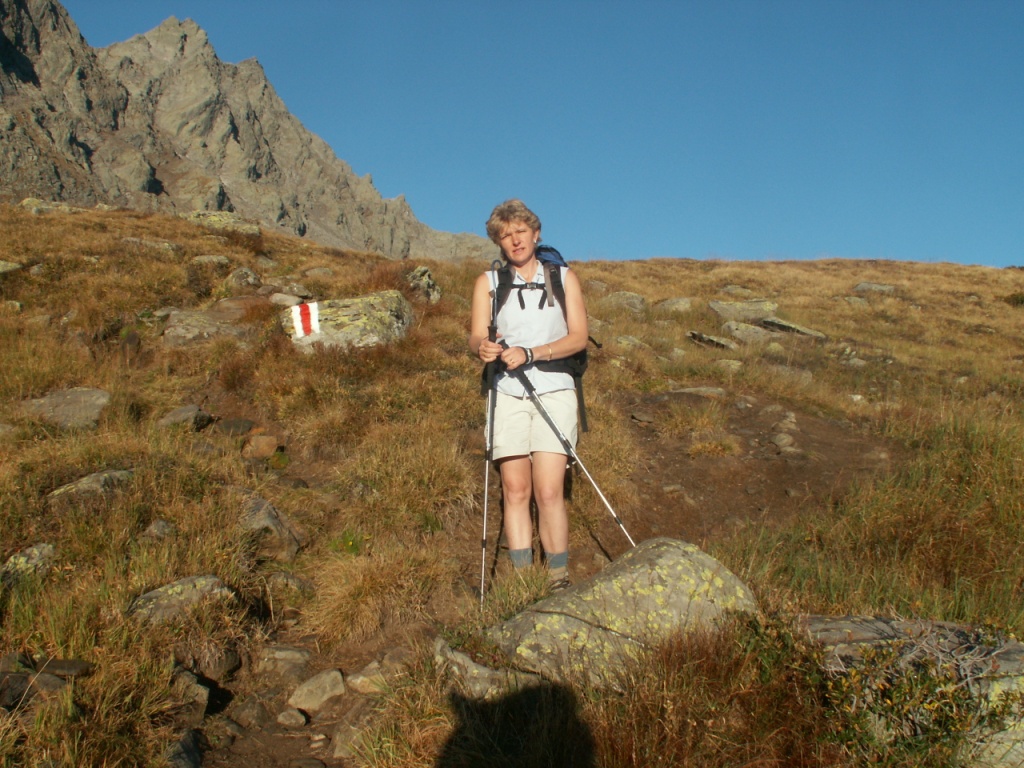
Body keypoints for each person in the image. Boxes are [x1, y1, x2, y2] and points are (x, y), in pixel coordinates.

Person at [469, 200, 589, 590]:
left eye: (521, 231)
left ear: (536, 234)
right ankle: (525, 585)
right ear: (498, 242)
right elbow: (476, 335)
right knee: (515, 488)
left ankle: (557, 579)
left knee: (549, 490)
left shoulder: (564, 278)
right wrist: (482, 348)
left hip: (555, 389)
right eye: (506, 235)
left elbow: (579, 337)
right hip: (506, 392)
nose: (515, 240)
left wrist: (532, 353)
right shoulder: (488, 283)